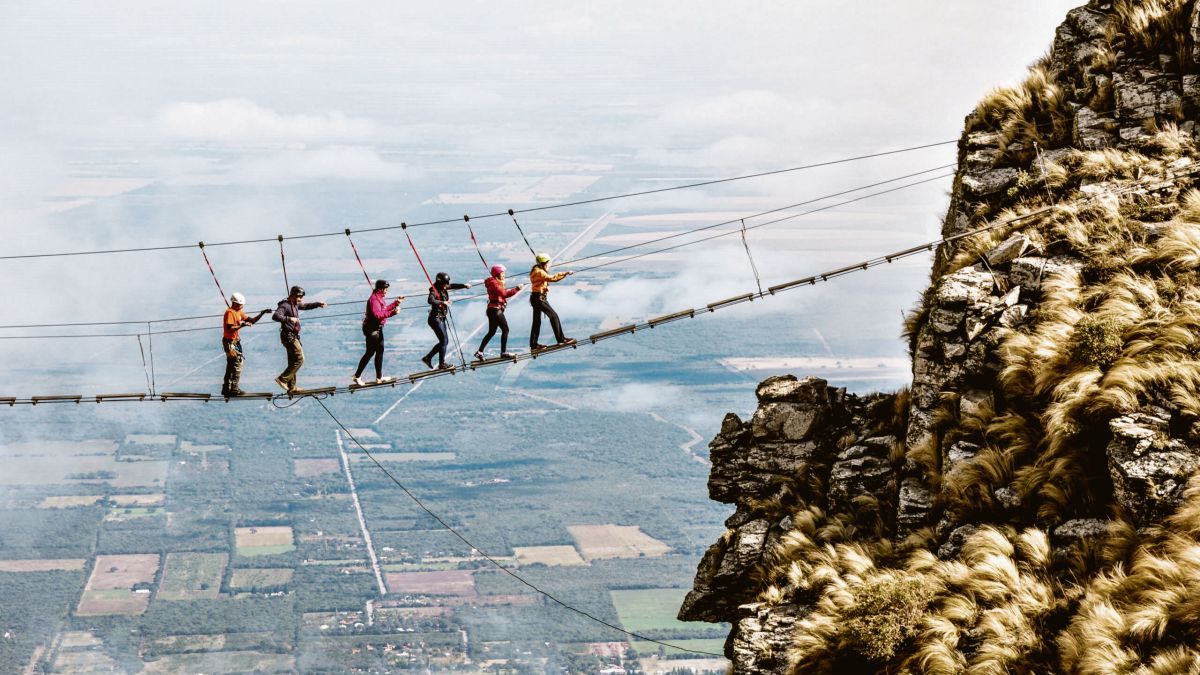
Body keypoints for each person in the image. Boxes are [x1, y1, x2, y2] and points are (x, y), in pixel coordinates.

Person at [272, 285, 327, 392]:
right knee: (300, 359)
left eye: (301, 297)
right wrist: (289, 318)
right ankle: (282, 379)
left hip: (291, 336)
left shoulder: (294, 304)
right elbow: (275, 316)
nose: (300, 299)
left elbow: (305, 306)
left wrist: (317, 304)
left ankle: (291, 387)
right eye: (299, 297)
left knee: (293, 361)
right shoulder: (285, 305)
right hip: (289, 337)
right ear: (292, 296)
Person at [353, 279, 404, 386]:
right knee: (370, 353)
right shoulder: (374, 300)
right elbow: (377, 315)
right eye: (386, 289)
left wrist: (396, 303)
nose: (387, 291)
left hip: (377, 329)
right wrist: (393, 313)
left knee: (380, 351)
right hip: (372, 329)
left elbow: (384, 310)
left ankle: (379, 378)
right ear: (380, 289)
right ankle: (357, 376)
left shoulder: (379, 298)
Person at [221, 292, 269, 397]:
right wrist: (242, 325)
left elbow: (251, 320)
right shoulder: (230, 312)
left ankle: (226, 389)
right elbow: (229, 328)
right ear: (235, 303)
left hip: (233, 342)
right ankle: (234, 389)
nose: (242, 306)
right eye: (240, 304)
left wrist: (262, 313)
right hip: (230, 342)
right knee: (237, 364)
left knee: (231, 366)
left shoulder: (239, 312)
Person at [421, 272, 471, 370]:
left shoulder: (442, 287)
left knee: (444, 341)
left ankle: (428, 358)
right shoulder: (434, 290)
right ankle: (441, 364)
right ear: (441, 283)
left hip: (439, 318)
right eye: (445, 283)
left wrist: (464, 286)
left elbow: (452, 286)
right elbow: (430, 300)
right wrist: (443, 302)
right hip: (435, 319)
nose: (447, 285)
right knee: (444, 341)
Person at [475, 264, 523, 360]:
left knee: (492, 332)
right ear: (497, 274)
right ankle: (503, 352)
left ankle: (479, 352)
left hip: (492, 309)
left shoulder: (495, 282)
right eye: (502, 273)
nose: (504, 275)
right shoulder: (494, 283)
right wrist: (517, 289)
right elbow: (504, 294)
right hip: (496, 310)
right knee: (505, 330)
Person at [528, 253, 575, 351]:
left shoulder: (536, 270)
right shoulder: (540, 272)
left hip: (536, 298)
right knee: (554, 316)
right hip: (539, 299)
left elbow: (543, 280)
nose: (549, 265)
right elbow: (552, 278)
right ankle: (561, 339)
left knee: (536, 322)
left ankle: (534, 345)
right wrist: (565, 273)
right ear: (544, 263)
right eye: (548, 263)